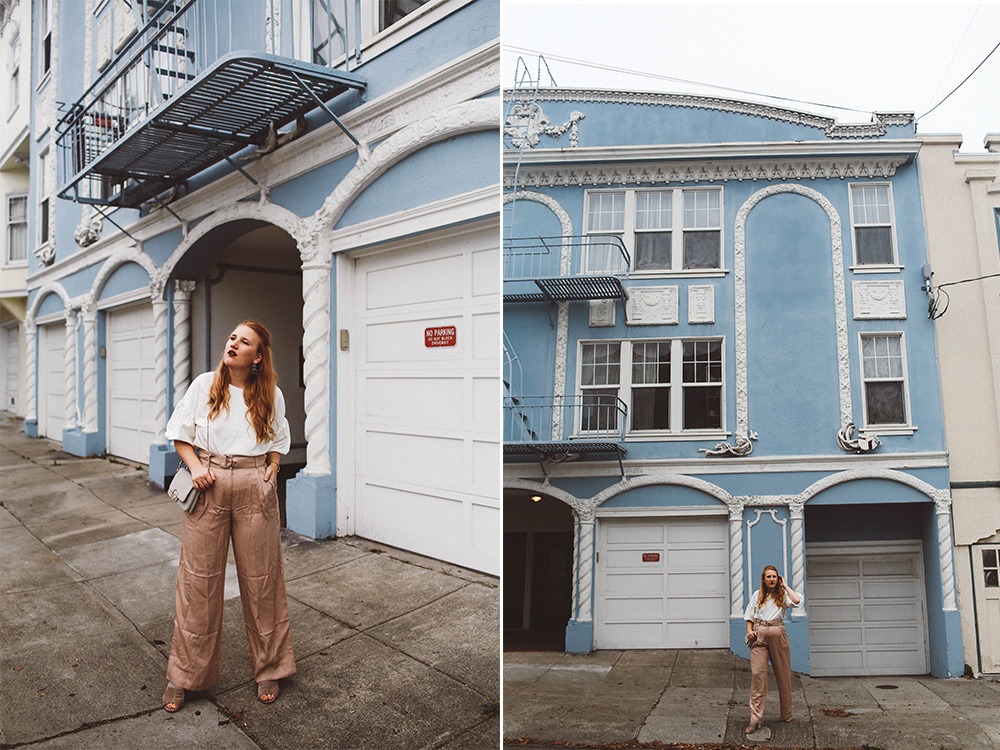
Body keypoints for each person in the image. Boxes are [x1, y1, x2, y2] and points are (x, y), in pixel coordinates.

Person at [161, 320, 295, 712]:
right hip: (209, 482)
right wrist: (196, 466)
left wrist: (271, 467)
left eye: (244, 341)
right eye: (232, 337)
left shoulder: (271, 392)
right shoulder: (204, 385)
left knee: (263, 580)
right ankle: (184, 675)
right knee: (197, 582)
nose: (233, 343)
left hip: (255, 485)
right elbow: (179, 432)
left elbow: (278, 435)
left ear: (258, 356)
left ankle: (269, 666)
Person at [743, 565, 801, 734]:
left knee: (783, 675)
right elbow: (749, 616)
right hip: (759, 634)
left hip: (777, 633)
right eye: (768, 577)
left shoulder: (782, 594)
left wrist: (784, 586)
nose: (771, 579)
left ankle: (787, 714)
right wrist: (749, 632)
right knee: (757, 676)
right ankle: (755, 720)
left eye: (774, 577)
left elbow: (796, 601)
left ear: (778, 578)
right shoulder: (757, 595)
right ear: (764, 579)